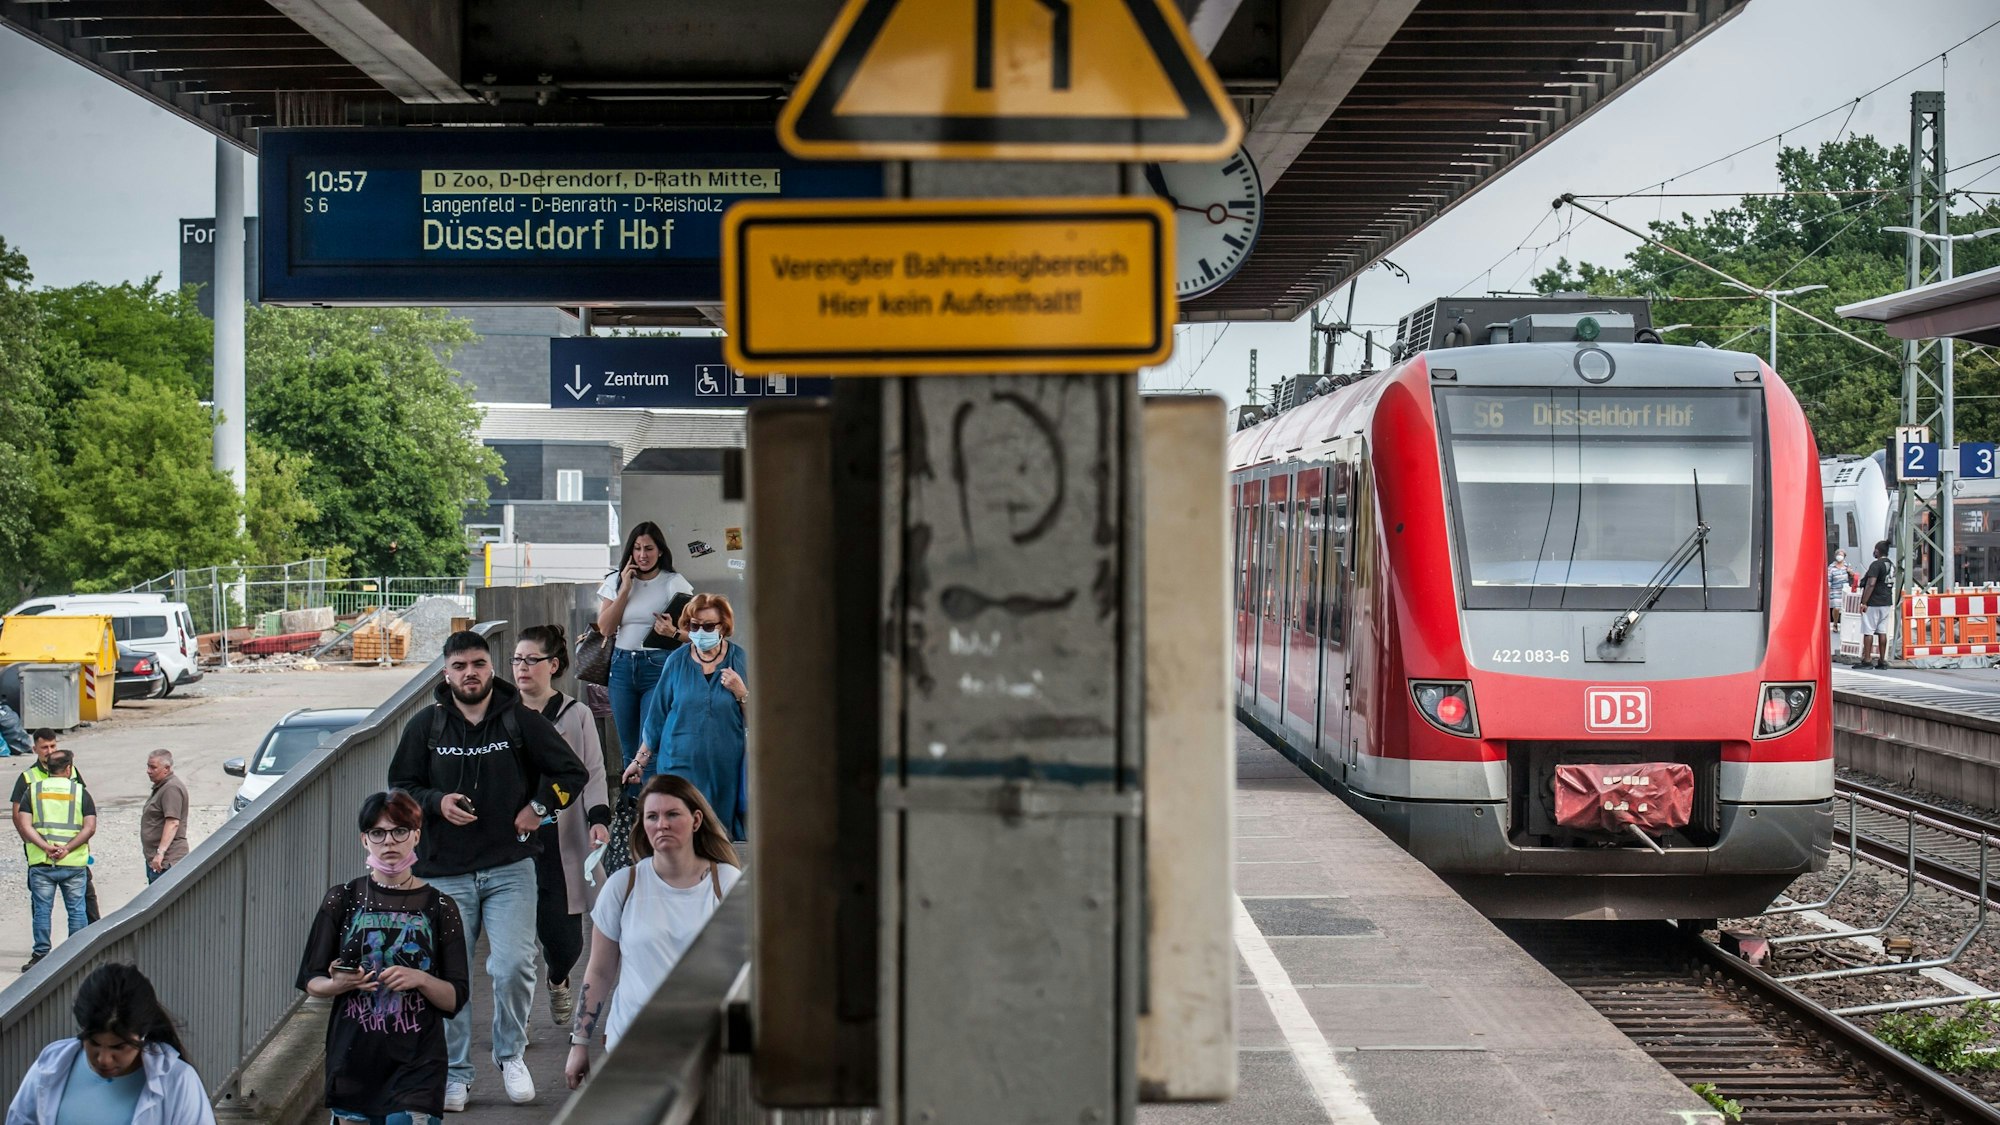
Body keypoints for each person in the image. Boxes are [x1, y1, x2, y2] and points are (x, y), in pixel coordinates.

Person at [386, 630, 588, 1112]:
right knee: (448, 974)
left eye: (477, 663)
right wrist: (436, 802)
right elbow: (401, 788)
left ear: (490, 667)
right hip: (443, 872)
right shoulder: (426, 727)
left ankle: (510, 1055)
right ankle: (456, 1071)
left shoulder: (520, 719)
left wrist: (539, 807)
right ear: (446, 674)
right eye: (459, 666)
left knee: (514, 966)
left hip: (510, 866)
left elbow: (572, 774)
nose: (469, 673)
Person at [297, 791, 471, 1125]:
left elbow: (455, 999)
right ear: (365, 840)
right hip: (354, 1059)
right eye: (378, 833)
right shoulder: (342, 898)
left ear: (416, 835)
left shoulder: (440, 906)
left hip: (417, 1062)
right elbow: (311, 980)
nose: (389, 842)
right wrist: (338, 984)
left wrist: (420, 978)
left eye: (400, 831)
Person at [564, 775, 741, 1089]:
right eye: (652, 816)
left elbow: (744, 968)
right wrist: (580, 1042)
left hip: (705, 1046)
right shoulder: (623, 886)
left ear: (696, 819)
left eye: (673, 814)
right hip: (632, 1044)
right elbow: (600, 970)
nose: (662, 824)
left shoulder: (726, 883)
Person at [510, 625, 612, 1035]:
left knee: (565, 942)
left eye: (531, 660)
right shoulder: (500, 713)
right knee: (510, 948)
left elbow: (593, 772)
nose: (522, 668)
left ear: (553, 665)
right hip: (512, 842)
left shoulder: (576, 714)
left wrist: (599, 819)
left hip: (559, 840)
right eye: (517, 659)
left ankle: (557, 977)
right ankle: (513, 1027)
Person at [6, 962, 213, 1124]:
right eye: (93, 1043)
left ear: (143, 1034)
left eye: (118, 1047)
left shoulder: (178, 1081)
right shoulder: (50, 1064)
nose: (103, 1059)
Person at [625, 594, 750, 840]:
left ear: (723, 626)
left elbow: (760, 719)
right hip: (678, 763)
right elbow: (656, 717)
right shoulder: (676, 661)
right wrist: (639, 762)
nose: (700, 631)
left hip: (723, 768)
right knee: (679, 831)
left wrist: (741, 692)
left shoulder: (739, 659)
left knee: (717, 836)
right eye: (694, 626)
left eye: (708, 626)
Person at [596, 522, 694, 781]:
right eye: (637, 548)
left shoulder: (674, 583)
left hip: (658, 666)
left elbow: (693, 636)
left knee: (649, 747)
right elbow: (605, 628)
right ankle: (634, 812)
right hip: (621, 667)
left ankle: (651, 813)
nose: (642, 555)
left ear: (660, 551)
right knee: (629, 751)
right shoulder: (615, 581)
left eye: (649, 548)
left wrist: (671, 632)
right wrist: (625, 589)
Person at [13, 741, 95, 973]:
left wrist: (45, 846)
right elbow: (89, 827)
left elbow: (24, 824)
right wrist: (68, 848)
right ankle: (78, 953)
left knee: (42, 910)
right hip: (73, 862)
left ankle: (41, 955)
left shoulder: (34, 790)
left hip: (42, 861)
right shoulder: (80, 792)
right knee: (77, 909)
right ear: (69, 769)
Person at [139, 751, 188, 885]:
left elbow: (172, 822)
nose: (148, 771)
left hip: (166, 862)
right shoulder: (162, 786)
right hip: (156, 861)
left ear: (166, 769)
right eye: (148, 766)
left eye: (153, 767)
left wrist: (160, 853)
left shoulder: (171, 788)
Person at [1859, 539, 1896, 670]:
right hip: (1886, 602)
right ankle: (1882, 660)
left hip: (1874, 602)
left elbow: (1871, 583)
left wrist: (1864, 602)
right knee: (1882, 630)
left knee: (1868, 630)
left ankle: (1867, 659)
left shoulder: (1876, 565)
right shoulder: (1891, 565)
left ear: (1877, 551)